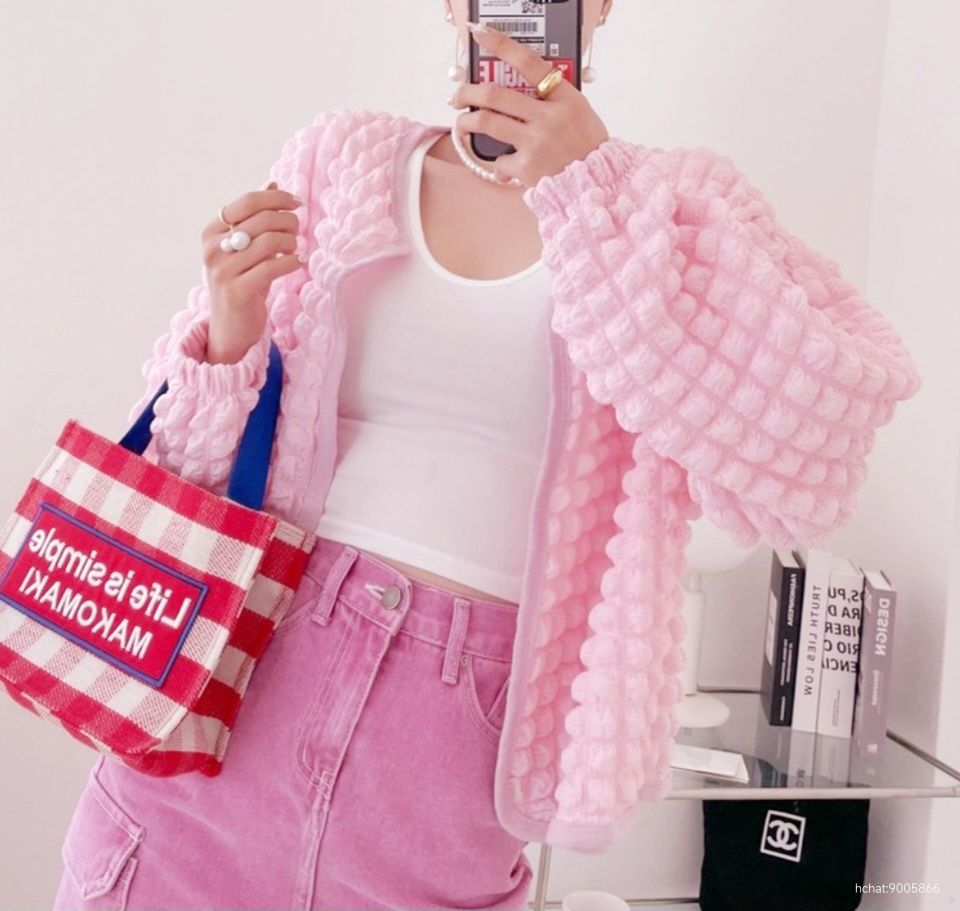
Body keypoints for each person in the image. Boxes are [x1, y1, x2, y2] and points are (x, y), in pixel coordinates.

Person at [52, 2, 920, 909]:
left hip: (454, 752)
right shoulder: (341, 160)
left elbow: (817, 453)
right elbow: (183, 471)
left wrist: (591, 186)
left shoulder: (675, 209)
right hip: (238, 698)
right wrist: (230, 332)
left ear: (600, 6)